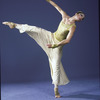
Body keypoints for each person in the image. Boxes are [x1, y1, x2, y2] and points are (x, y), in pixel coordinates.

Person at [2, 0, 85, 98]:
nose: (81, 18)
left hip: (57, 45)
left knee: (56, 66)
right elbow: (56, 6)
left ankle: (56, 90)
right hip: (51, 36)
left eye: (82, 18)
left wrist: (55, 46)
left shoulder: (73, 27)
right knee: (36, 29)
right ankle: (14, 25)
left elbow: (67, 40)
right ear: (76, 14)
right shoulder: (64, 15)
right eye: (81, 15)